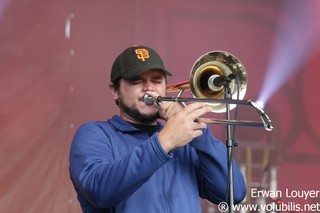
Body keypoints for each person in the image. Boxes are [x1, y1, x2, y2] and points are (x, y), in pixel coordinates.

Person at [69, 45, 246, 213]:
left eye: (157, 80)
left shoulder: (185, 142)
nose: (149, 88)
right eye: (137, 81)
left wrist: (199, 133)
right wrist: (164, 142)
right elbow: (100, 192)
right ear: (115, 91)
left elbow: (233, 194)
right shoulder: (94, 134)